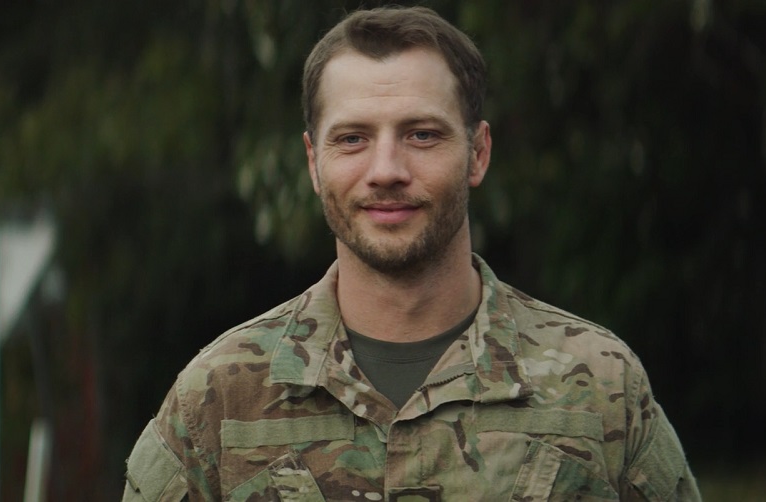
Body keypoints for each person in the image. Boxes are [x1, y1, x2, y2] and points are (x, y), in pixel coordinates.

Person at [122, 6, 700, 501]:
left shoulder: (602, 387)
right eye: (352, 138)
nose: (387, 171)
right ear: (312, 163)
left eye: (422, 134)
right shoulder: (219, 397)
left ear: (478, 154)